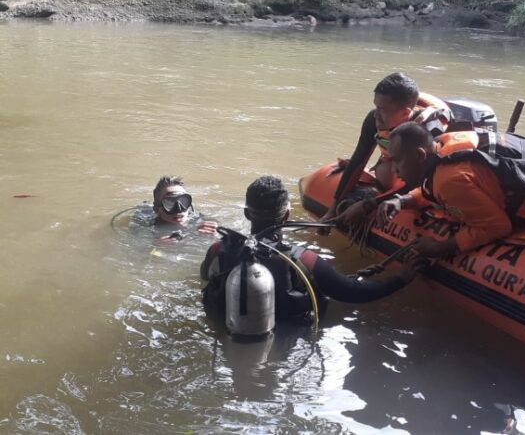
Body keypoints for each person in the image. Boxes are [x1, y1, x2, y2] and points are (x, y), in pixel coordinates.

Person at [200, 175, 422, 321]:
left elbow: (204, 276)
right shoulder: (304, 259)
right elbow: (354, 293)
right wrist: (400, 279)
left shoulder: (217, 250)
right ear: (286, 215)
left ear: (247, 214)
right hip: (289, 341)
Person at [376, 123, 525, 258]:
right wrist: (403, 200)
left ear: (419, 155)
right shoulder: (445, 145)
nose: (394, 170)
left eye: (397, 161)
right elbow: (432, 189)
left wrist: (441, 247)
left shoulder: (450, 181)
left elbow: (497, 226)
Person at [319, 72, 451, 228]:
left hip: (425, 175)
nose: (376, 114)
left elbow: (424, 180)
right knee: (385, 171)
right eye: (376, 106)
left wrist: (369, 204)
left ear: (405, 113)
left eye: (382, 109)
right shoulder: (373, 119)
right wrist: (333, 209)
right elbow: (358, 160)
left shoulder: (427, 132)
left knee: (394, 174)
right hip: (395, 165)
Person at [150, 176, 217, 243]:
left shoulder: (202, 220)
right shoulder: (146, 226)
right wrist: (156, 245)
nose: (179, 209)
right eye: (170, 203)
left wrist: (217, 235)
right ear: (156, 209)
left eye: (183, 201)